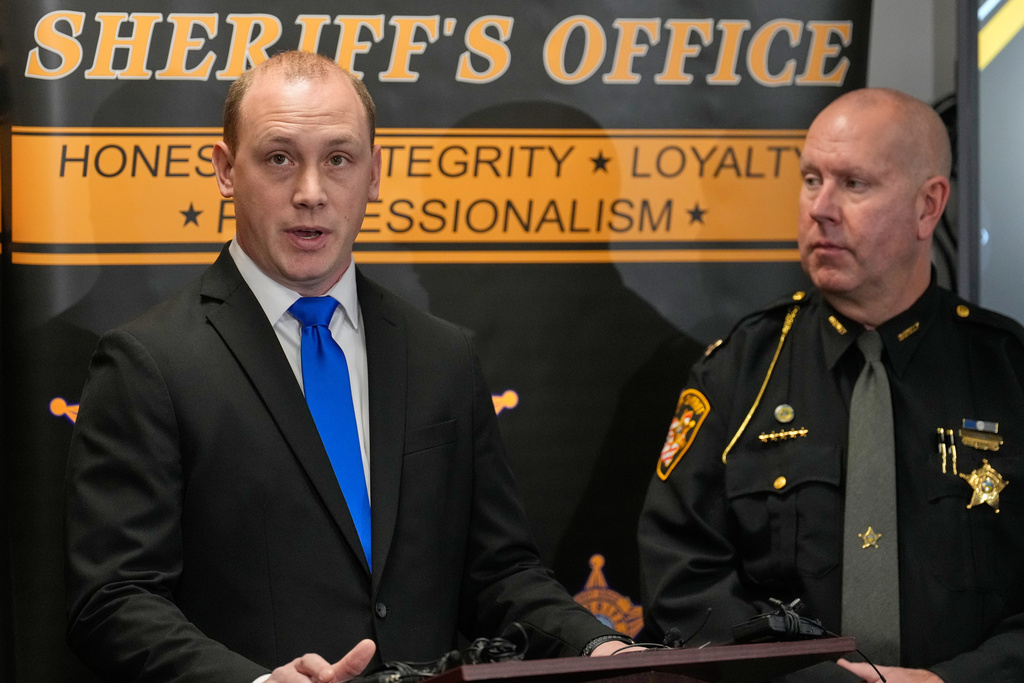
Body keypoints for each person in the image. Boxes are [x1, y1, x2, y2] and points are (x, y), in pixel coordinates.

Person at [65, 51, 634, 683]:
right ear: (226, 170)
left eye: (338, 159)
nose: (310, 193)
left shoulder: (442, 355)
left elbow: (500, 574)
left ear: (374, 174)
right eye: (279, 158)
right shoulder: (148, 362)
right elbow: (115, 600)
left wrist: (601, 648)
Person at [638, 88, 1024, 683]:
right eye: (811, 179)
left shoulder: (1010, 373)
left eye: (853, 184)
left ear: (928, 206)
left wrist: (956, 681)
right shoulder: (739, 371)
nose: (820, 207)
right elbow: (682, 581)